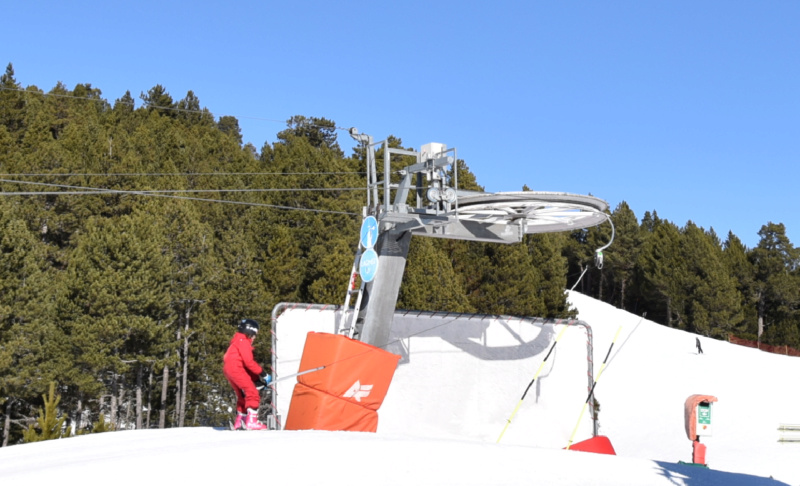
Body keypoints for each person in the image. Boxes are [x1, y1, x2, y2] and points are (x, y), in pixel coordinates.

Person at [223, 318, 271, 430]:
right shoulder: (243, 342)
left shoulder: (236, 342)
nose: (254, 338)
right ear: (250, 332)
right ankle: (251, 422)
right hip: (236, 369)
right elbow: (248, 362)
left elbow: (244, 365)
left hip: (229, 370)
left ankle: (240, 421)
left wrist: (256, 380)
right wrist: (264, 375)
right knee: (252, 393)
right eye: (254, 335)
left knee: (242, 395)